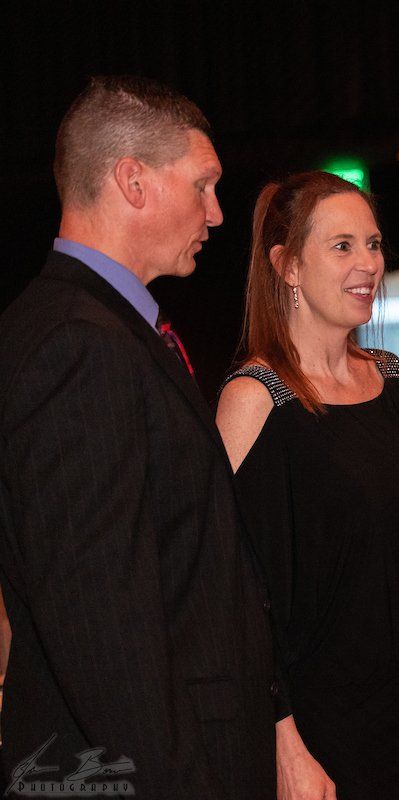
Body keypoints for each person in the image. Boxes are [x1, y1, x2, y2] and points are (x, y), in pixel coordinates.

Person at [0, 76, 276, 797]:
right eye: (204, 185)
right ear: (133, 181)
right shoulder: (77, 344)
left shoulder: (101, 327)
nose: (217, 213)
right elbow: (102, 627)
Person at [216, 171, 399, 799]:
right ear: (287, 266)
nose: (368, 264)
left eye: (374, 244)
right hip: (310, 730)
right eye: (342, 247)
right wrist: (284, 745)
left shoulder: (389, 378)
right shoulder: (255, 399)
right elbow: (229, 596)